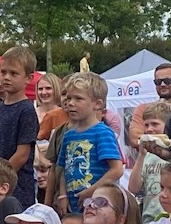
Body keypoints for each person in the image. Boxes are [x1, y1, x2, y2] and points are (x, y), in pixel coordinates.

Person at [48, 72, 124, 215]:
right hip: (72, 206)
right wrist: (63, 195)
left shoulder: (103, 132)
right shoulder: (68, 135)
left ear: (97, 104)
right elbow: (64, 168)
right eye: (69, 98)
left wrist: (91, 191)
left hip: (97, 204)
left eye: (78, 98)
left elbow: (117, 170)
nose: (70, 103)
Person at [0, 48, 41, 208]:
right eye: (3, 72)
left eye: (14, 73)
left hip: (17, 187)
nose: (6, 77)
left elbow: (22, 155)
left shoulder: (26, 110)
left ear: (28, 78)